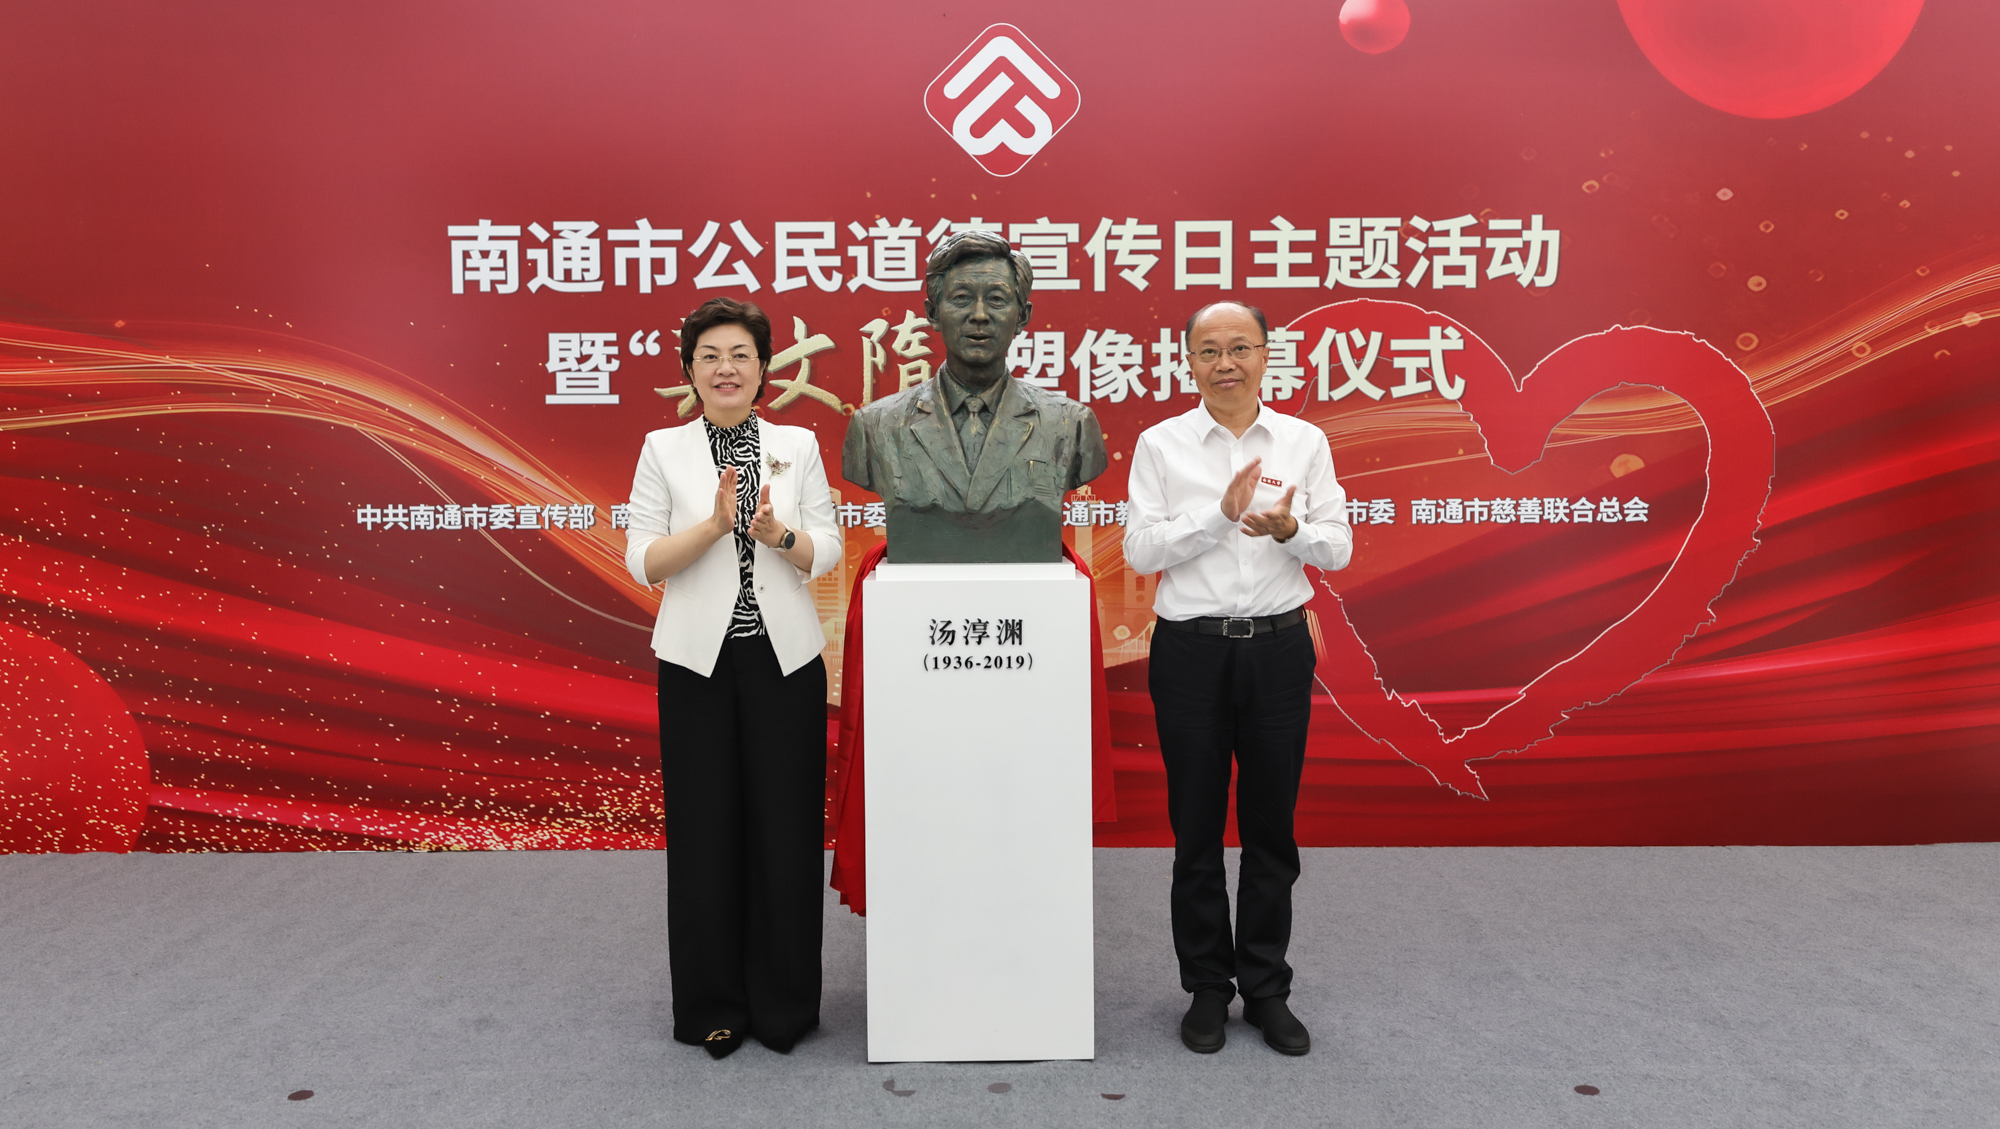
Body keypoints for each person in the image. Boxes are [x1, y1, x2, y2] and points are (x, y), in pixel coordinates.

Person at [1124, 301, 1354, 1056]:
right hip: (1190, 652)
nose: (1226, 363)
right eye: (1209, 350)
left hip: (1278, 651)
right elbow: (1140, 551)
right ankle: (1206, 987)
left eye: (1240, 348)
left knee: (1270, 828)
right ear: (1188, 360)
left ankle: (1265, 987)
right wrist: (1218, 517)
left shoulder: (1304, 440)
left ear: (1265, 355)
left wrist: (1292, 530)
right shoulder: (1161, 444)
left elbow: (1338, 547)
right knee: (1195, 827)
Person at [622, 297, 842, 1059]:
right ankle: (712, 1004)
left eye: (740, 355)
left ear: (764, 368)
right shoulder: (663, 448)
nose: (726, 368)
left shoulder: (796, 444)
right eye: (710, 355)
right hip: (697, 665)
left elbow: (828, 549)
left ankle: (784, 1006)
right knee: (704, 834)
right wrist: (715, 527)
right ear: (690, 370)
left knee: (786, 832)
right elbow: (643, 560)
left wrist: (778, 534)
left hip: (784, 660)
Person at [842, 229, 1106, 562]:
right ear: (933, 313)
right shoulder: (876, 426)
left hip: (1029, 588)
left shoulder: (1070, 424)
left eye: (996, 299)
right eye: (962, 298)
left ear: (1022, 316)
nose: (979, 315)